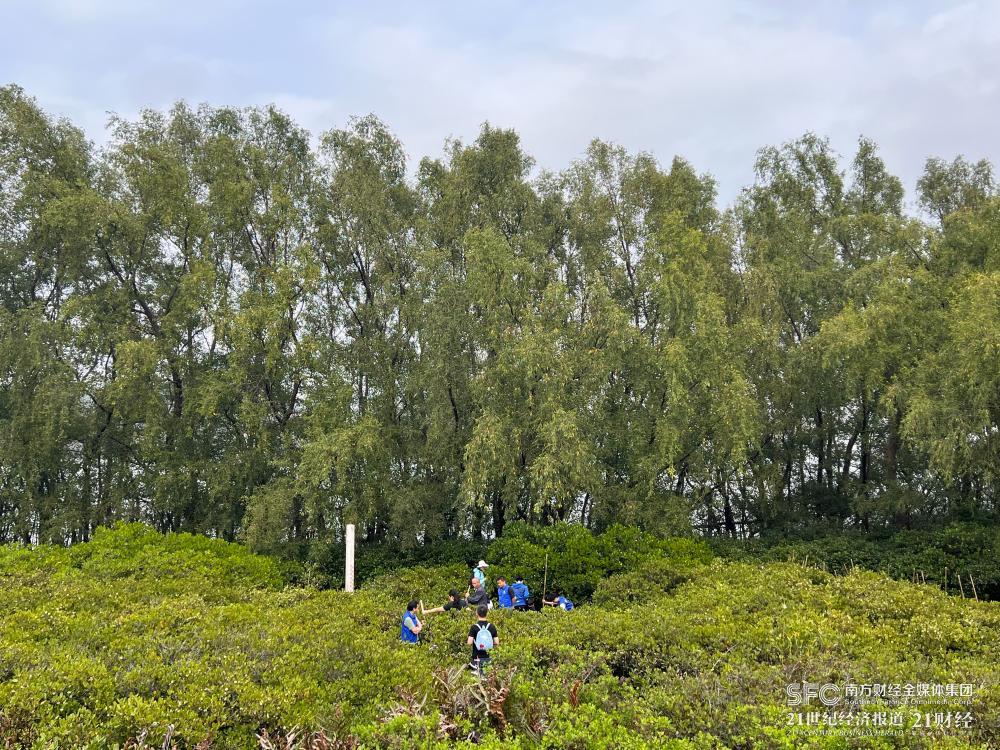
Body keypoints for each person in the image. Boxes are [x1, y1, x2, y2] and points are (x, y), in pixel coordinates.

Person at [467, 603, 498, 673]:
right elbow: (497, 642)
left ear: (477, 613)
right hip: (488, 658)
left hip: (476, 659)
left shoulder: (474, 627)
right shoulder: (492, 627)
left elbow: (469, 642)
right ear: (487, 613)